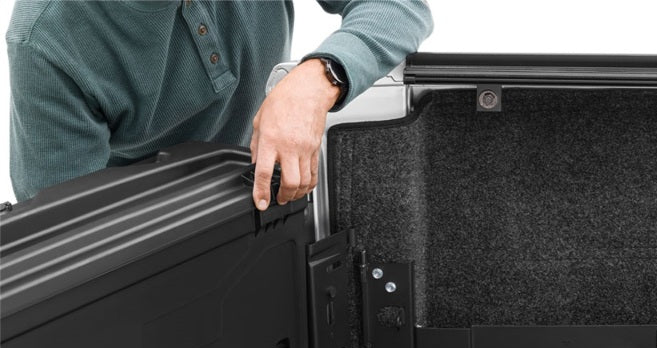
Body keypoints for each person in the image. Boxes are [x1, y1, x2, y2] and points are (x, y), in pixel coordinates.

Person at [6, 0, 433, 207]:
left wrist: (319, 78)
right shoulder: (46, 39)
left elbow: (399, 7)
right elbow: (63, 239)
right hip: (148, 243)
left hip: (269, 200)